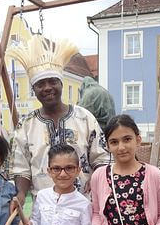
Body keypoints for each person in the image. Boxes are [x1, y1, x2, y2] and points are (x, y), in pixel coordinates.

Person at [7, 35, 110, 205]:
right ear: (34, 89)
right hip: (44, 208)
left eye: (52, 81)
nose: (47, 88)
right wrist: (21, 195)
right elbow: (21, 168)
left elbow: (102, 158)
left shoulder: (84, 118)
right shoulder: (26, 124)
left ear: (61, 83)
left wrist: (96, 179)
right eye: (40, 84)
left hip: (83, 204)